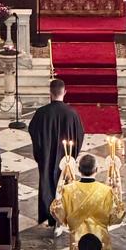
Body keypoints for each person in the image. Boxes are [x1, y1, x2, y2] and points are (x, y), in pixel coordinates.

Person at [53, 152, 125, 250]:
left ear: (79, 170)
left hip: (77, 239)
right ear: (96, 170)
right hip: (100, 237)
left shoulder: (68, 190)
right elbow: (117, 216)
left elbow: (57, 211)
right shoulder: (106, 191)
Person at [29, 78, 85, 227]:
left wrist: (41, 153)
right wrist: (72, 156)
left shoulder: (41, 113)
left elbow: (33, 132)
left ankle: (51, 217)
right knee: (65, 185)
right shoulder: (72, 113)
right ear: (65, 92)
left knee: (47, 183)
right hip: (65, 157)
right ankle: (64, 215)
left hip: (47, 156)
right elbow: (80, 135)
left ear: (50, 93)